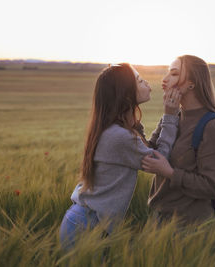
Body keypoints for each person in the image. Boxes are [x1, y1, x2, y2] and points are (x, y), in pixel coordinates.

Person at [59, 63, 181, 249]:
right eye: (139, 80)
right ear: (125, 94)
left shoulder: (114, 129)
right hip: (87, 227)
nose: (146, 82)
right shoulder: (120, 137)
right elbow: (160, 158)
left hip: (85, 223)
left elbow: (148, 147)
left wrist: (167, 117)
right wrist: (170, 116)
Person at [142, 55, 215, 225]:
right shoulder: (174, 115)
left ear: (191, 83)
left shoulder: (212, 127)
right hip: (159, 219)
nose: (164, 80)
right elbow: (150, 155)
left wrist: (170, 173)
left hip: (189, 226)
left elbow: (213, 186)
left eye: (173, 74)